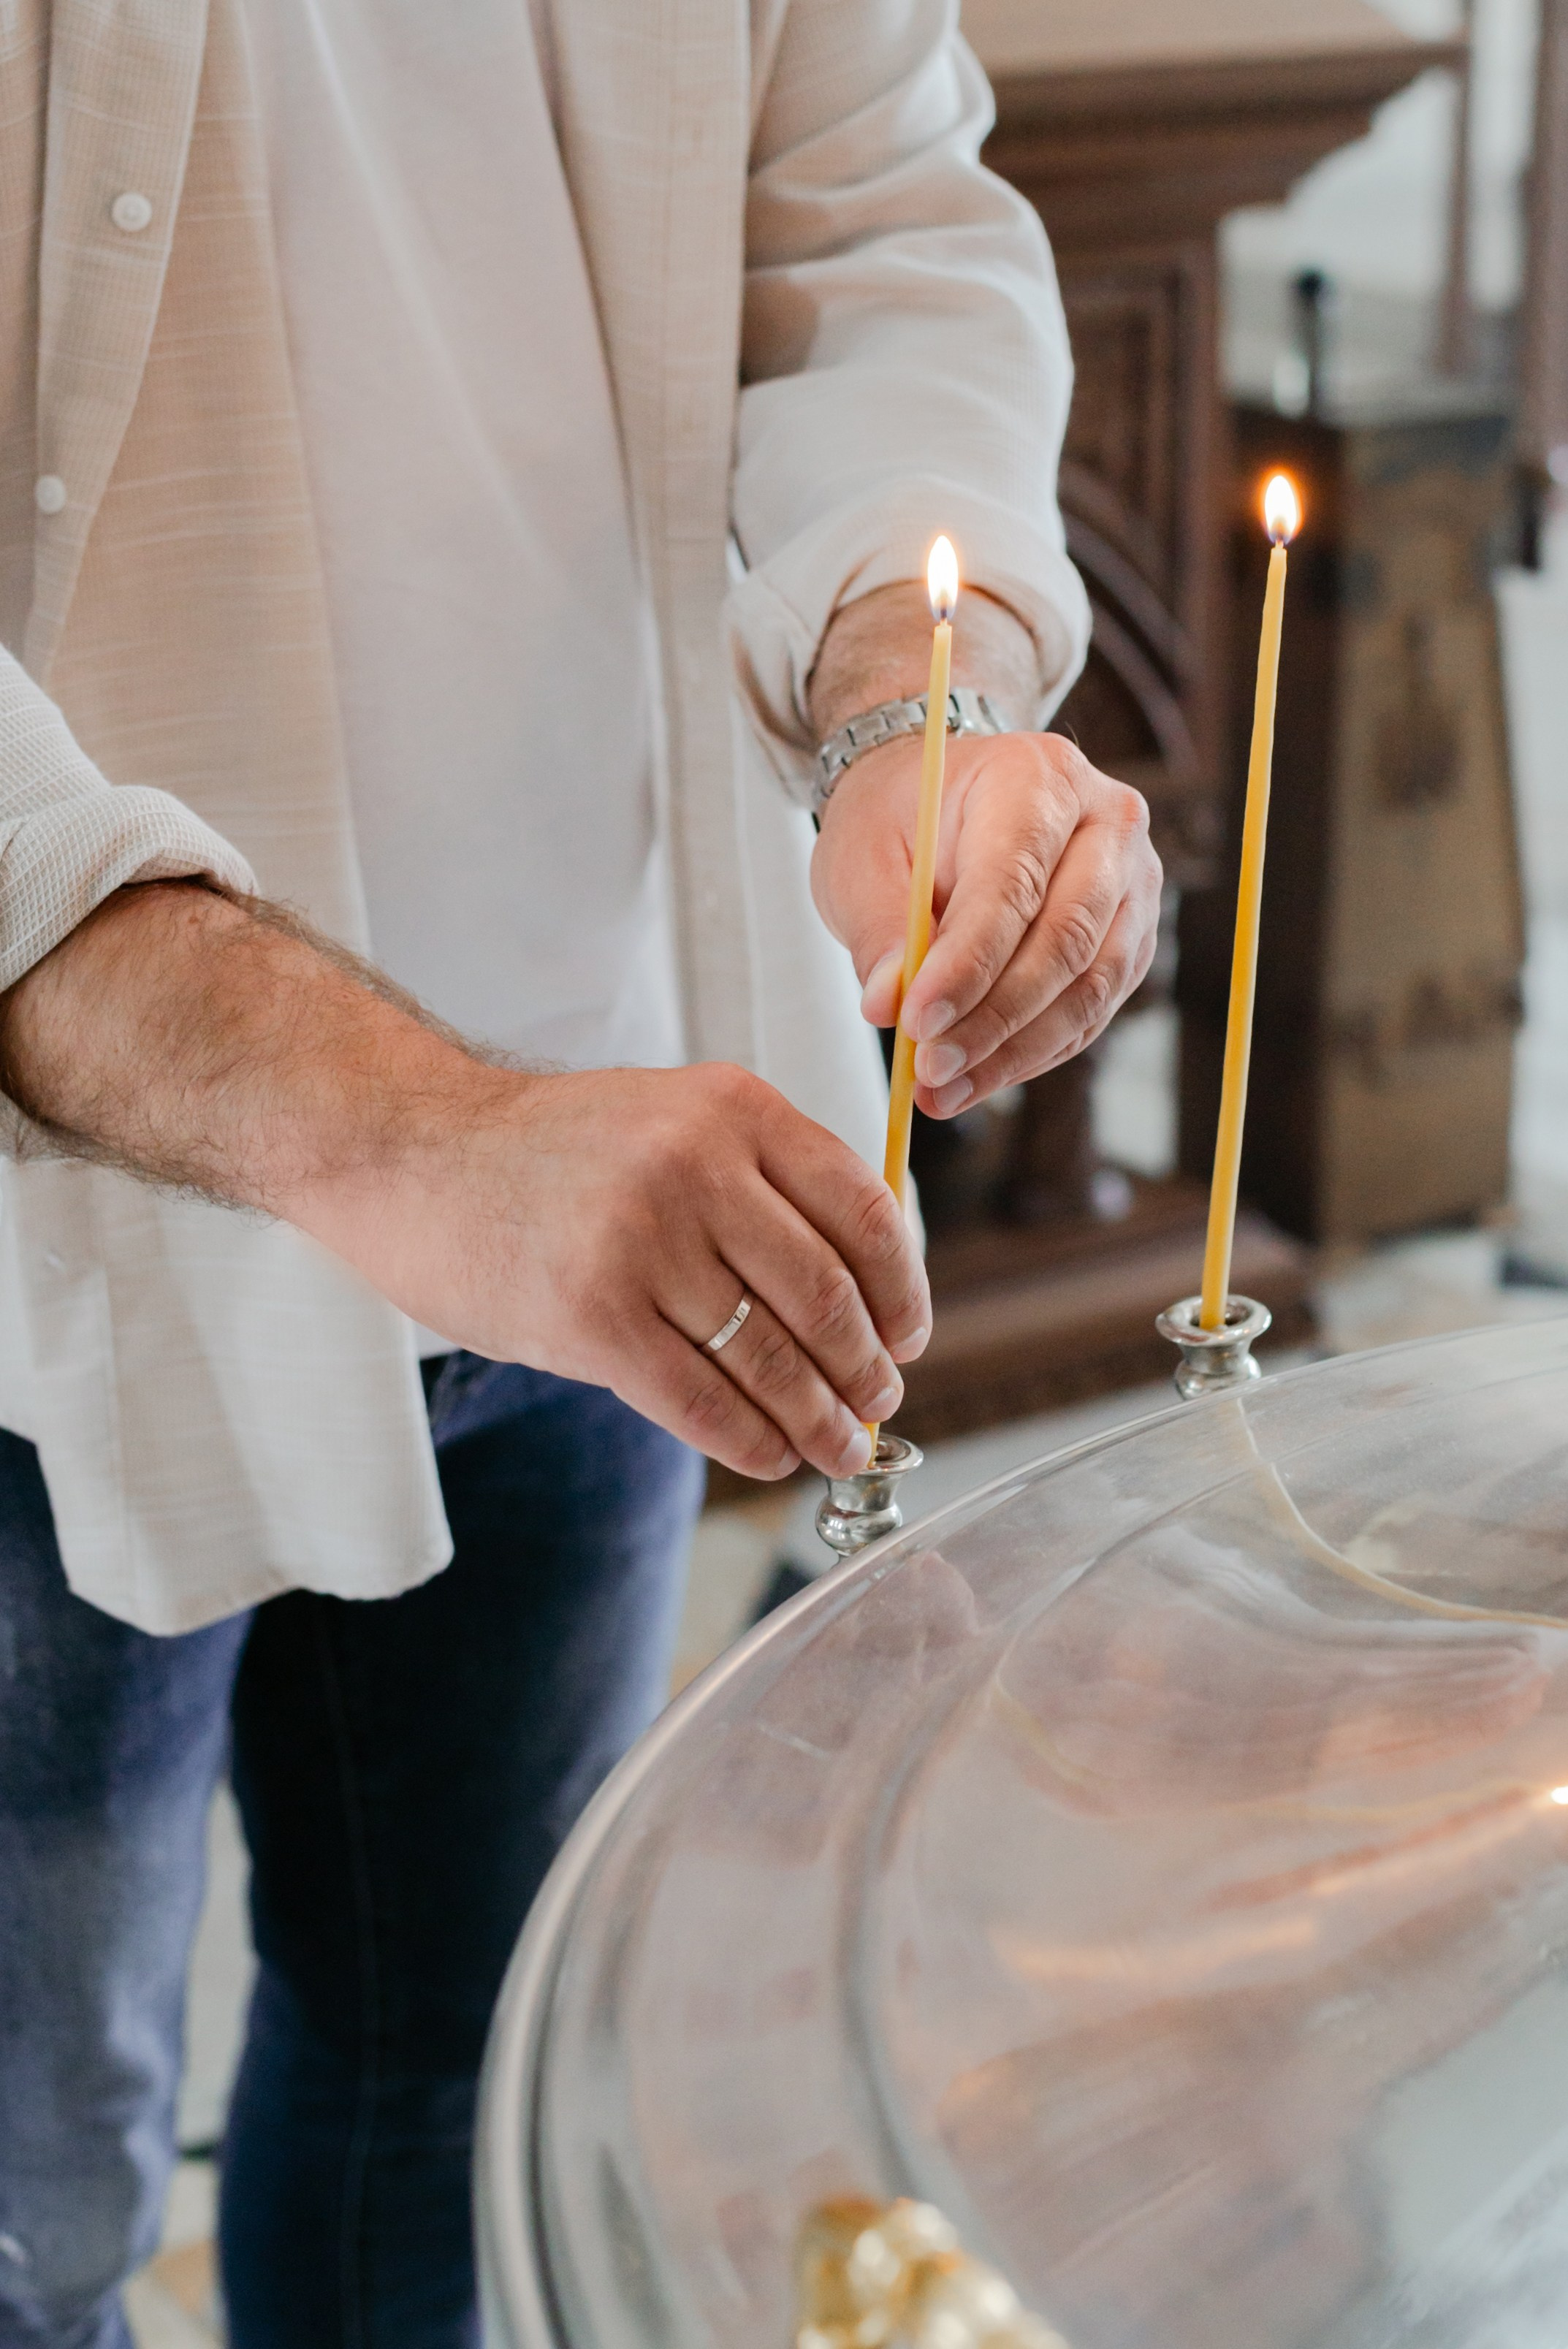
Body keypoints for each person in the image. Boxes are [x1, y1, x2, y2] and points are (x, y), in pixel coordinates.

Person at [0, 0, 1161, 2340]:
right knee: (40, 2201)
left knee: (460, 2072)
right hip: (73, 1246)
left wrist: (911, 694)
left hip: (639, 1154)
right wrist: (418, 1135)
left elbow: (869, 220)